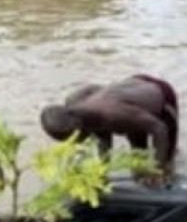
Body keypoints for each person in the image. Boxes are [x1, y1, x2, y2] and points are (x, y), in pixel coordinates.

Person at [39, 74, 179, 184]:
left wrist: (157, 169)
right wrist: (101, 173)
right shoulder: (75, 105)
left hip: (158, 95)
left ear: (79, 129)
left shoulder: (114, 114)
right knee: (138, 158)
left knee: (165, 160)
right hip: (129, 94)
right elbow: (104, 138)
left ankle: (167, 174)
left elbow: (159, 129)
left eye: (76, 139)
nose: (77, 143)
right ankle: (142, 178)